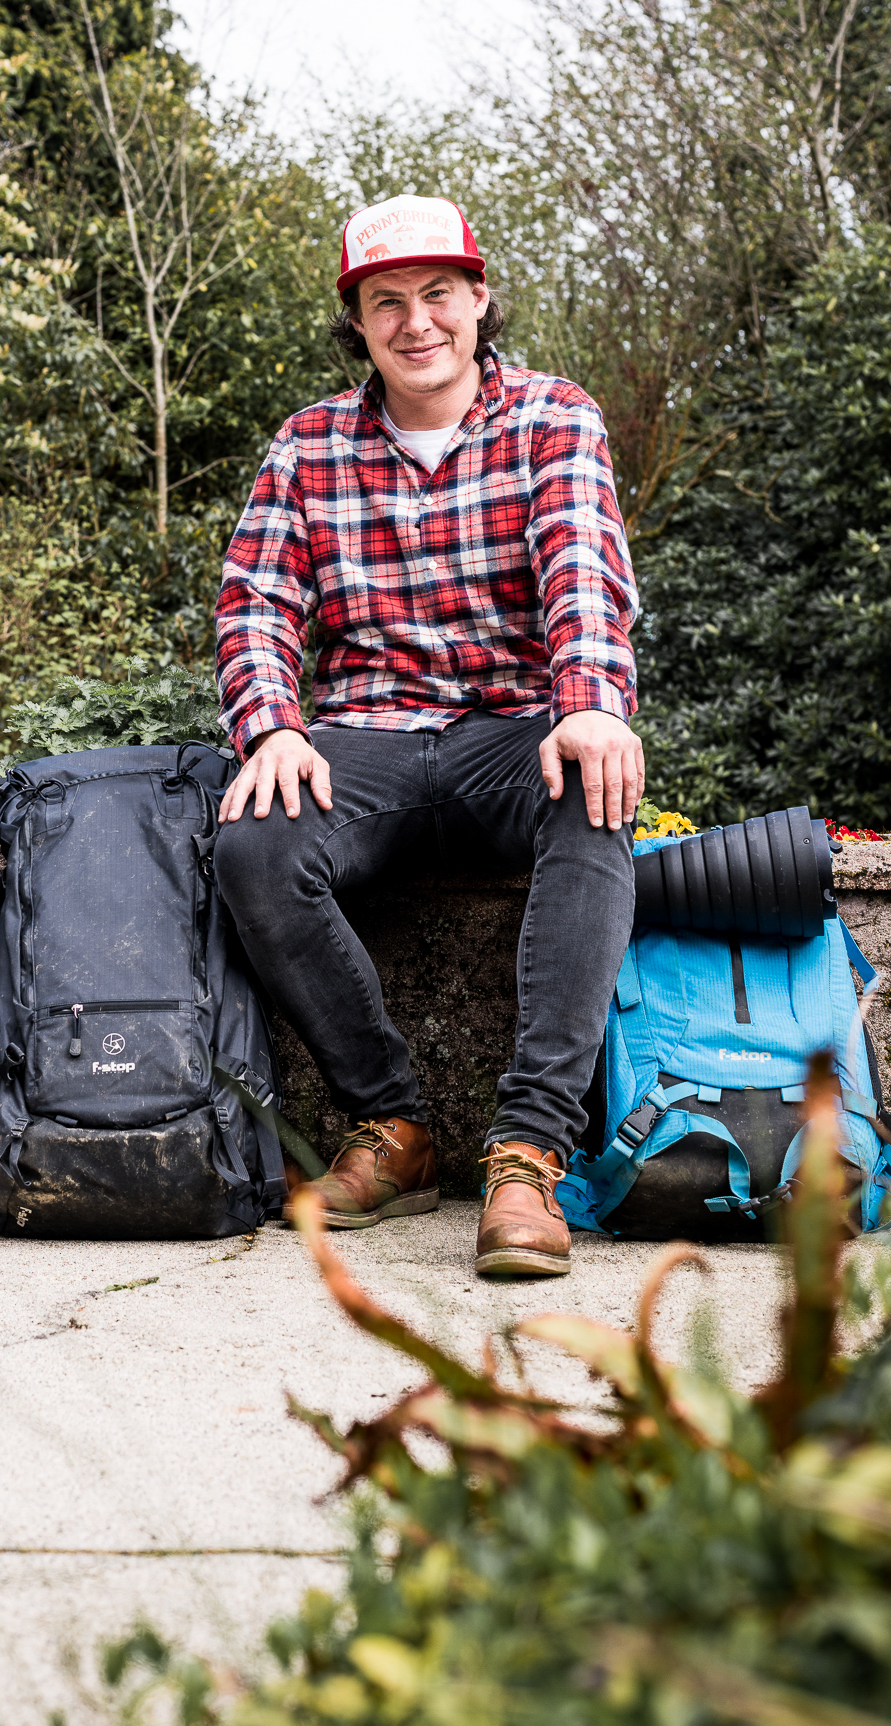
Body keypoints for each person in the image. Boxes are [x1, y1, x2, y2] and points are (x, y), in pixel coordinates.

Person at [212, 194, 642, 1279]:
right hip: (368, 736)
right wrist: (271, 726)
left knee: (591, 795)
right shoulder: (308, 443)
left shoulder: (554, 416)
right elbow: (257, 601)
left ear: (478, 299)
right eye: (385, 301)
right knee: (255, 841)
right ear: (356, 321)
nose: (416, 322)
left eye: (438, 294)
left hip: (513, 730)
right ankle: (392, 1128)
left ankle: (529, 1152)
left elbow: (581, 570)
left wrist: (590, 696)